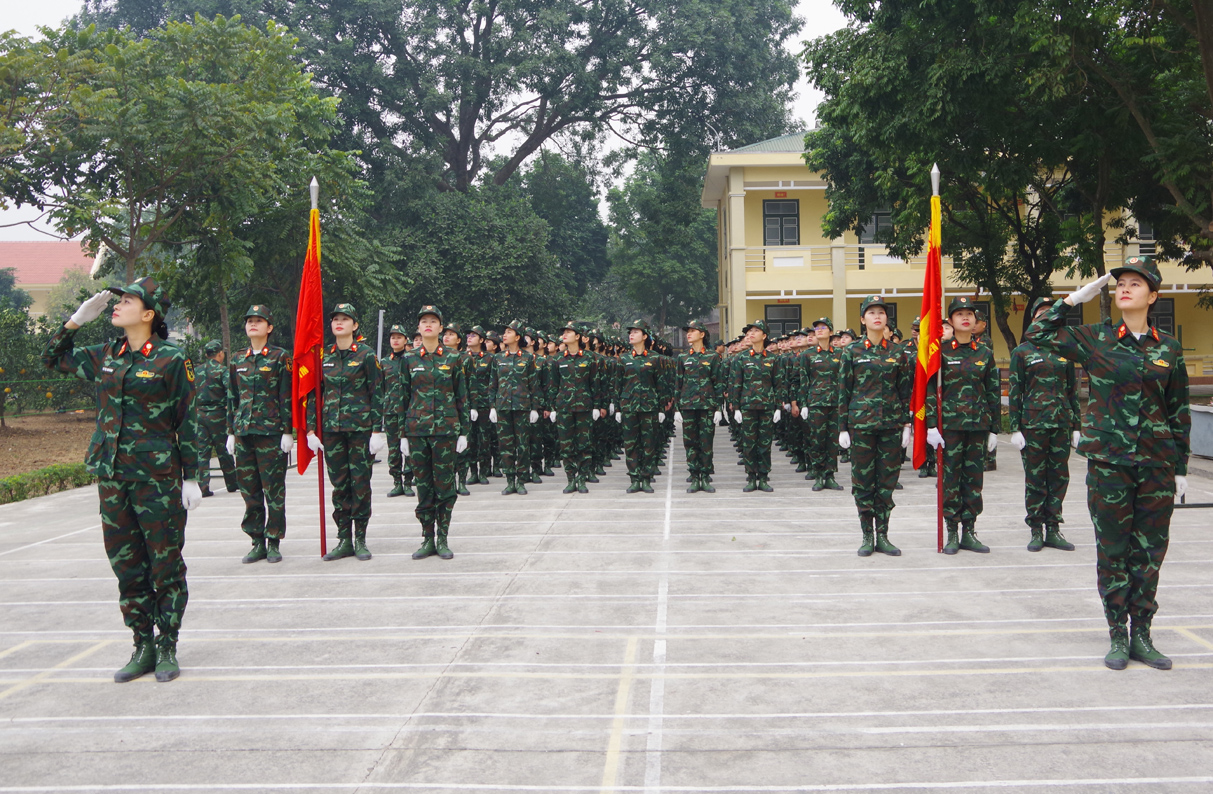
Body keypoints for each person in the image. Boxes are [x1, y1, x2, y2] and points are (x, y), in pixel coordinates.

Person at [1026, 256, 1190, 671]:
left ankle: (1143, 635)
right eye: (1120, 283)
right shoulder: (1093, 338)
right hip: (1109, 465)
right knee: (1113, 551)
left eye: (1136, 283)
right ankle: (1118, 633)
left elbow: (1178, 410)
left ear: (1153, 296)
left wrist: (1182, 467)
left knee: (1150, 553)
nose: (1124, 288)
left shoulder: (1168, 348)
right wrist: (1075, 298)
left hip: (1156, 466)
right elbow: (1036, 334)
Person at [43, 276, 199, 683]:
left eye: (127, 300)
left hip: (158, 478)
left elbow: (188, 420)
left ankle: (167, 644)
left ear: (148, 314)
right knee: (126, 566)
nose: (118, 305)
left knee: (164, 564)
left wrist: (193, 477)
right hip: (112, 476)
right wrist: (74, 322)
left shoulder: (171, 358)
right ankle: (141, 643)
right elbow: (51, 359)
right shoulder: (105, 354)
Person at [305, 304, 385, 562]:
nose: (339, 323)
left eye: (345, 319)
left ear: (355, 325)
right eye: (335, 319)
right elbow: (314, 393)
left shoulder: (365, 355)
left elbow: (377, 393)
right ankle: (343, 539)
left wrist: (376, 430)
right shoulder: (323, 356)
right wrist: (310, 429)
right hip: (332, 430)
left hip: (360, 430)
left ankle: (360, 538)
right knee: (340, 486)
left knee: (360, 484)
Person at [925, 296, 1001, 555]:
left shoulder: (985, 353)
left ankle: (969, 530)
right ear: (950, 321)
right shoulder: (942, 352)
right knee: (951, 479)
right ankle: (952, 531)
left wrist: (994, 429)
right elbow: (930, 391)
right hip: (951, 428)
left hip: (978, 425)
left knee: (974, 480)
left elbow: (992, 391)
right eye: (960, 314)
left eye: (970, 314)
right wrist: (932, 425)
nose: (966, 318)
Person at [395, 306, 469, 560]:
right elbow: (402, 398)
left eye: (433, 321)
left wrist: (463, 432)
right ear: (418, 328)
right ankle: (427, 538)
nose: (428, 325)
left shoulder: (453, 358)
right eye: (424, 321)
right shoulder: (408, 359)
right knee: (424, 486)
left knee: (445, 486)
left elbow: (462, 397)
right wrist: (402, 435)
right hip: (417, 431)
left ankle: (443, 537)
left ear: (440, 328)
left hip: (446, 431)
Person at [839, 296, 911, 556]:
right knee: (863, 482)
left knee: (887, 482)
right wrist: (842, 427)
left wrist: (907, 424)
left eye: (881, 312)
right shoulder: (852, 351)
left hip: (890, 426)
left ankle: (883, 535)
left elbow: (905, 391)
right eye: (872, 312)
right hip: (861, 426)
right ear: (862, 319)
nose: (877, 316)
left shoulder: (897, 353)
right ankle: (867, 535)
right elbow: (844, 391)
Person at [1009, 297, 1081, 552]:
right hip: (1033, 424)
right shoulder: (1023, 352)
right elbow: (1015, 391)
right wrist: (1014, 427)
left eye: (1051, 313)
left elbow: (1073, 391)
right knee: (1036, 478)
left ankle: (1053, 528)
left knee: (1059, 477)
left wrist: (1076, 426)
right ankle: (1036, 528)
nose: (1046, 316)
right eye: (1041, 312)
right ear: (1033, 318)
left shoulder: (1066, 351)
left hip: (1061, 423)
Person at [225, 305, 294, 564]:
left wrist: (288, 432)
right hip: (244, 433)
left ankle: (274, 540)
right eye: (249, 321)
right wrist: (231, 432)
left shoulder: (279, 357)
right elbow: (232, 397)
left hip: (270, 433)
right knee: (249, 491)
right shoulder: (237, 358)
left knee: (273, 490)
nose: (253, 324)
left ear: (270, 327)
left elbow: (285, 396)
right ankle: (256, 541)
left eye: (259, 321)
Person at [548, 321, 606, 493]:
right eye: (564, 331)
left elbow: (595, 384)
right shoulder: (557, 359)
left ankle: (582, 479)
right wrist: (552, 408)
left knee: (584, 444)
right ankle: (570, 479)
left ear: (578, 336)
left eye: (569, 332)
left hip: (584, 408)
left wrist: (597, 406)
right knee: (566, 445)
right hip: (564, 408)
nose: (565, 334)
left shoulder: (590, 358)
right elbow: (553, 386)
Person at [728, 319, 783, 493]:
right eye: (749, 331)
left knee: (765, 444)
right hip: (748, 407)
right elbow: (736, 383)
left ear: (764, 335)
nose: (750, 334)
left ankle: (764, 477)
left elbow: (779, 384)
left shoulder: (773, 359)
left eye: (755, 331)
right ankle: (751, 477)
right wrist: (736, 407)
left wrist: (779, 408)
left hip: (767, 407)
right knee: (749, 444)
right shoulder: (741, 358)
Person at [616, 319, 670, 494]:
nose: (631, 334)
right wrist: (617, 408)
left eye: (636, 332)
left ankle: (646, 478)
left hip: (649, 407)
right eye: (630, 332)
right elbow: (617, 385)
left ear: (645, 336)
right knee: (631, 444)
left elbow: (661, 384)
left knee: (648, 444)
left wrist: (662, 408)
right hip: (629, 407)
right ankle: (634, 478)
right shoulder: (623, 358)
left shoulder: (655, 358)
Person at [794, 317, 843, 492]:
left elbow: (844, 380)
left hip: (835, 403)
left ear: (830, 332)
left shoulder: (839, 354)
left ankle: (830, 475)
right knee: (817, 440)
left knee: (832, 441)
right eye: (816, 328)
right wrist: (804, 404)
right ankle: (818, 474)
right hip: (815, 403)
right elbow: (803, 380)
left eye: (823, 327)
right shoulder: (808, 355)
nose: (819, 330)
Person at [491, 320, 540, 495]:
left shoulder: (527, 358)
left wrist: (535, 408)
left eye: (509, 332)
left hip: (522, 407)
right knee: (505, 446)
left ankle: (521, 481)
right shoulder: (497, 358)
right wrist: (492, 407)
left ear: (517, 337)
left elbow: (533, 384)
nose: (504, 335)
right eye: (504, 332)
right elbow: (493, 384)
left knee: (523, 445)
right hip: (503, 407)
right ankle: (510, 480)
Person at [674, 320, 721, 493]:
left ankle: (705, 476)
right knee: (690, 443)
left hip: (707, 406)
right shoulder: (683, 357)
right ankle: (694, 477)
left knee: (706, 443)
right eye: (688, 331)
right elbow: (678, 383)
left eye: (693, 331)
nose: (689, 334)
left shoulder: (712, 357)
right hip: (688, 406)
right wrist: (676, 409)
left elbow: (718, 383)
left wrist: (718, 408)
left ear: (702, 334)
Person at [194, 340, 237, 497]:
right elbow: (231, 392)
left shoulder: (196, 371)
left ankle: (202, 487)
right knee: (224, 450)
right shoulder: (223, 371)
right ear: (220, 354)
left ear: (206, 355)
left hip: (199, 415)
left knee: (202, 452)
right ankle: (232, 483)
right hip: (218, 415)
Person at [384, 324, 414, 498]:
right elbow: (380, 388)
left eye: (398, 337)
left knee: (409, 447)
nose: (395, 340)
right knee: (394, 448)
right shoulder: (384, 362)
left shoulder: (411, 359)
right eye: (392, 337)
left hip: (410, 410)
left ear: (405, 340)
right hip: (391, 411)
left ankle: (409, 481)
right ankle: (397, 482)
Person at [464, 325, 495, 486]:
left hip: (483, 404)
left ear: (481, 340)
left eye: (473, 335)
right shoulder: (462, 357)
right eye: (468, 335)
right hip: (467, 404)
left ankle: (484, 471)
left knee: (484, 439)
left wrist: (492, 406)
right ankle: (473, 472)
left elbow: (493, 382)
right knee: (470, 440)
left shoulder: (490, 359)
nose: (469, 337)